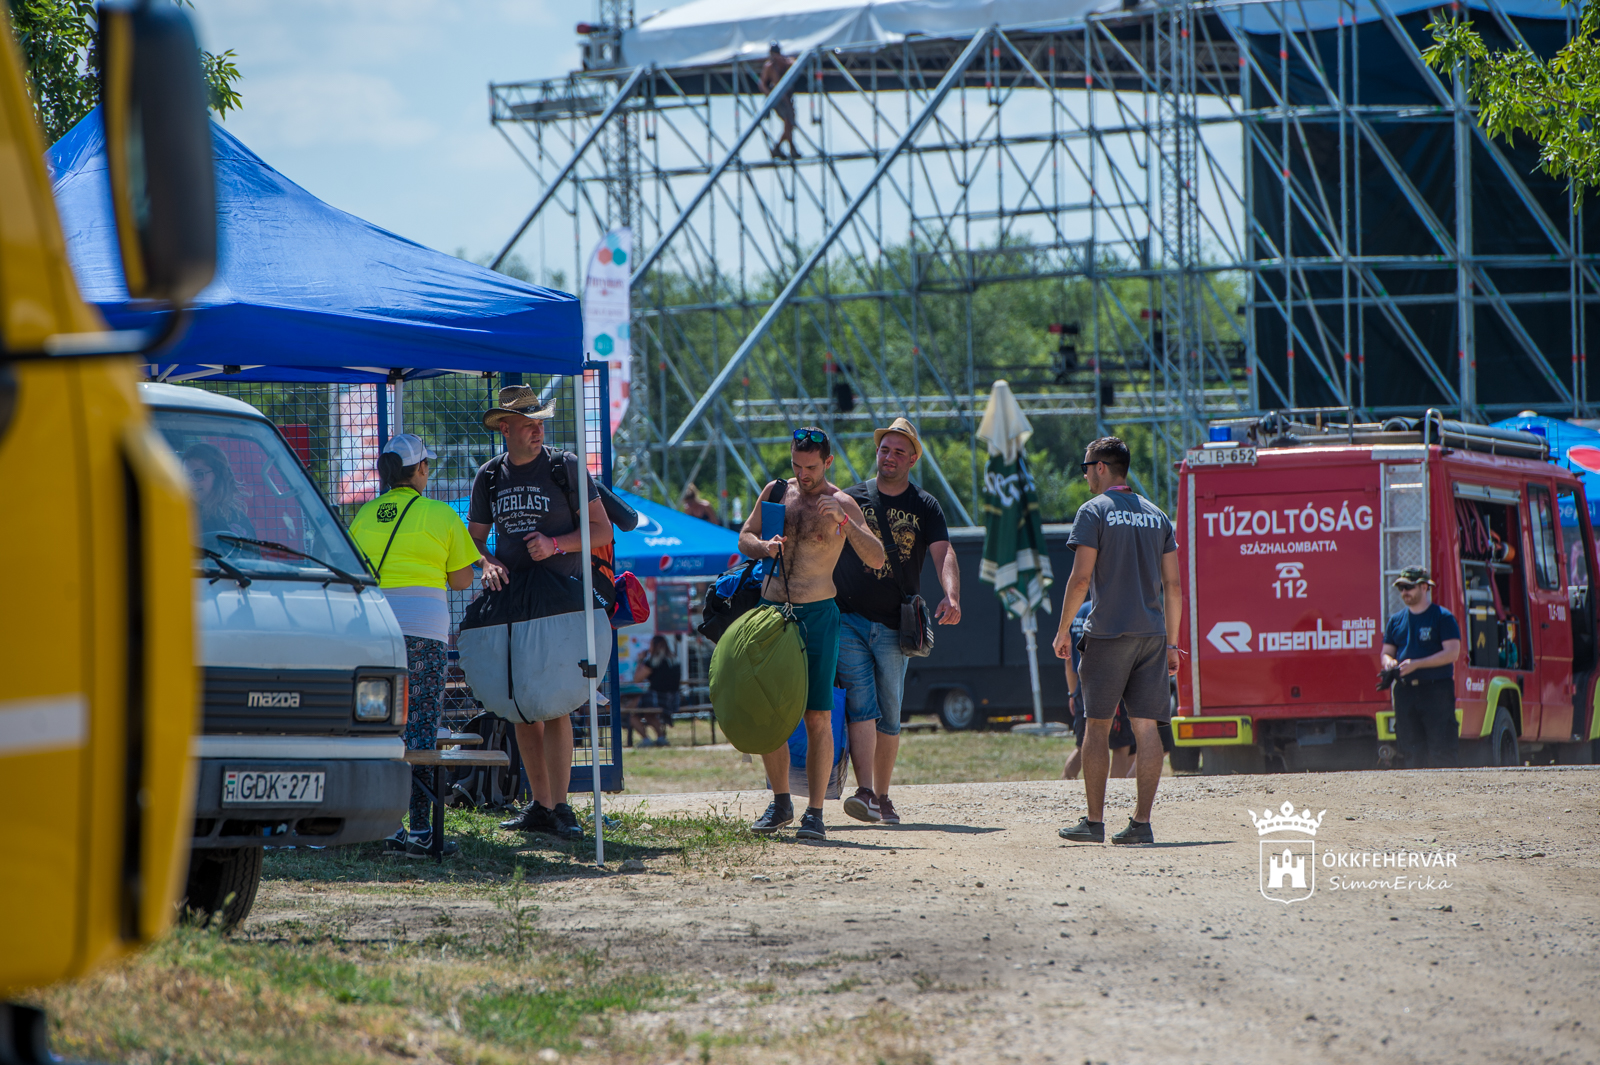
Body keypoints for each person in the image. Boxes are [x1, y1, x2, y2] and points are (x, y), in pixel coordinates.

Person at [468, 384, 613, 843]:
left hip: (562, 604)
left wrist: (556, 545)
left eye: (541, 421)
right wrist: (486, 563)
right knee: (520, 709)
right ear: (505, 429)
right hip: (513, 605)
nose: (538, 430)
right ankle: (541, 806)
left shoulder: (564, 467)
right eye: (528, 424)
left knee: (556, 706)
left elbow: (600, 529)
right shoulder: (489, 477)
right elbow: (473, 540)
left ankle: (563, 806)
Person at [740, 426, 885, 841]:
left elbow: (875, 557)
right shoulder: (774, 492)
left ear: (827, 463)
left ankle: (816, 813)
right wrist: (763, 546)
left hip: (818, 615)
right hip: (772, 612)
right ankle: (781, 802)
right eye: (796, 465)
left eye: (810, 467)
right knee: (770, 714)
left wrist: (845, 523)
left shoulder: (841, 502)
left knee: (818, 715)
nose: (802, 474)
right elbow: (744, 536)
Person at [349, 434, 483, 858]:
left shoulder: (364, 514)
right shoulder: (440, 514)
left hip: (373, 630)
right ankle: (423, 829)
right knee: (421, 724)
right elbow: (462, 580)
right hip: (424, 630)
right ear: (421, 469)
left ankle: (383, 823)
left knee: (376, 724)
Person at [1053, 437, 1181, 846]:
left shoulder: (1093, 511)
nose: (1085, 473)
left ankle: (1094, 822)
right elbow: (1173, 586)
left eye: (1086, 466)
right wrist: (1173, 645)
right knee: (1147, 730)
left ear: (1103, 467)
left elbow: (1081, 579)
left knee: (1097, 728)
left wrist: (1062, 630)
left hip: (1108, 633)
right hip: (1153, 636)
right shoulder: (1157, 515)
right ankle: (1141, 825)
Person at [832, 418, 958, 827]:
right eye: (885, 449)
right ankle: (865, 792)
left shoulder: (926, 506)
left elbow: (944, 553)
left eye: (899, 451)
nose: (890, 457)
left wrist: (951, 593)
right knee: (860, 706)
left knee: (889, 713)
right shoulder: (852, 498)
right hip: (848, 618)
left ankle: (882, 795)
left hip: (895, 625)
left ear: (913, 459)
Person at [1381, 566, 1462, 768]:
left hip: (1436, 690)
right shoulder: (1396, 621)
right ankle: (1416, 798)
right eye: (1401, 588)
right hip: (1405, 691)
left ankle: (1445, 797)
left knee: (1441, 749)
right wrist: (1389, 663)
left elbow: (1452, 653)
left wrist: (1417, 664)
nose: (1404, 592)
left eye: (1409, 587)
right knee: (1410, 749)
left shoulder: (1442, 617)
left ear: (1425, 587)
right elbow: (1386, 652)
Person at [1061, 598, 1136, 782]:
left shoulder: (1079, 610)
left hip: (1082, 685)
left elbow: (1069, 658)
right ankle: (1114, 798)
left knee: (1084, 744)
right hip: (1112, 684)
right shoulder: (1115, 608)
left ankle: (1065, 784)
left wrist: (1073, 693)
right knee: (1121, 746)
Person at [183, 442, 255, 539]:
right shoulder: (180, 515)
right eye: (186, 475)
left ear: (218, 475)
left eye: (199, 474)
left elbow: (253, 553)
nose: (190, 481)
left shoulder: (237, 516)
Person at [633, 636, 682, 747]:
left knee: (631, 712)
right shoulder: (674, 660)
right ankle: (660, 738)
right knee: (648, 714)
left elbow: (637, 679)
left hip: (656, 698)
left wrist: (640, 660)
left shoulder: (653, 661)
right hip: (673, 699)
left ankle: (646, 739)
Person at [760, 41, 799, 161]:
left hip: (787, 97)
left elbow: (796, 64)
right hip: (778, 99)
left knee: (790, 123)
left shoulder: (787, 63)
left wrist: (787, 62)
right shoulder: (769, 67)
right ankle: (791, 148)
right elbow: (762, 84)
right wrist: (771, 95)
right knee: (788, 121)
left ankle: (781, 148)